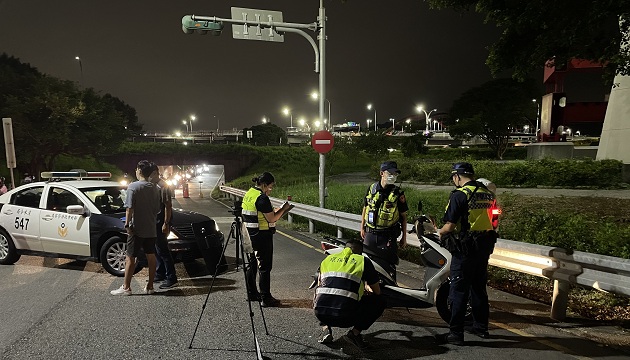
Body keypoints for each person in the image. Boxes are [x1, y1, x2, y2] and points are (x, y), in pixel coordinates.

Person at [435, 162, 498, 345]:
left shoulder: (459, 195)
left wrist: (438, 231)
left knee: (459, 290)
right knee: (478, 289)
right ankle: (481, 328)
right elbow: (494, 222)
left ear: (457, 176)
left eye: (453, 178)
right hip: (484, 248)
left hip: (465, 249)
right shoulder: (487, 194)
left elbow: (450, 225)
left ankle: (455, 334)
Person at [313, 239, 385, 349]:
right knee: (380, 301)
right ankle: (354, 334)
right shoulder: (362, 261)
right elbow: (377, 291)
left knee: (322, 294)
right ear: (360, 252)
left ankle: (325, 328)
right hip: (346, 317)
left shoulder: (327, 259)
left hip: (321, 312)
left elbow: (320, 284)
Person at [111, 160, 161, 296]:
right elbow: (157, 209)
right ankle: (150, 286)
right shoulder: (157, 189)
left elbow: (129, 208)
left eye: (136, 169)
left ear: (139, 171)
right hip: (151, 228)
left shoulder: (133, 186)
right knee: (151, 256)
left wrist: (127, 224)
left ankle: (126, 287)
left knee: (130, 257)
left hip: (136, 228)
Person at [242, 172, 293, 307]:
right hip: (261, 235)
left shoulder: (249, 193)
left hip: (248, 233)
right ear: (264, 185)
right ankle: (266, 297)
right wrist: (284, 209)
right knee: (264, 267)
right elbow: (272, 219)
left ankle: (252, 293)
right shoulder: (262, 198)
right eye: (270, 187)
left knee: (252, 264)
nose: (270, 189)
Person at [360, 161, 408, 267]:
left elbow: (403, 217)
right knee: (366, 265)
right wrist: (362, 228)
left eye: (395, 174)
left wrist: (404, 237)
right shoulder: (371, 189)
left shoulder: (398, 193)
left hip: (388, 236)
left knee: (388, 266)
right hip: (370, 234)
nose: (393, 176)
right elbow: (365, 208)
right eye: (390, 173)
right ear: (382, 173)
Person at [149, 163, 178, 289]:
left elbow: (168, 206)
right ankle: (160, 272)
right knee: (156, 249)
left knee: (163, 250)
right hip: (154, 222)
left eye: (150, 174)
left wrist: (166, 223)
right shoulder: (153, 185)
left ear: (155, 173)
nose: (148, 177)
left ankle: (171, 277)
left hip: (161, 222)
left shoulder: (163, 186)